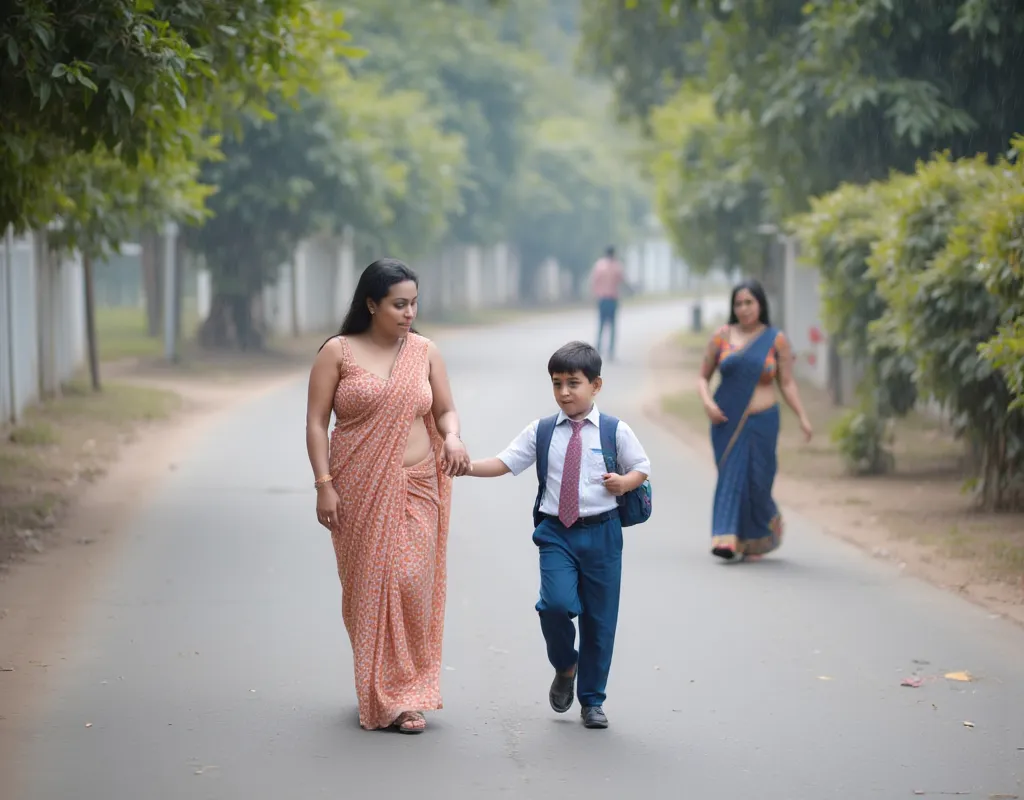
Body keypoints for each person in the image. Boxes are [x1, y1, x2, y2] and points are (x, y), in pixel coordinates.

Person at [305, 258, 471, 734]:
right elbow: (317, 422)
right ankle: (382, 691)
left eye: (414, 303)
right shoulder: (337, 352)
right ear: (371, 303)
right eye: (399, 304)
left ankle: (407, 694)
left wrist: (453, 437)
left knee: (409, 583)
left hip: (419, 484)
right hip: (356, 488)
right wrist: (324, 485)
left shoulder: (425, 353)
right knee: (366, 590)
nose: (409, 313)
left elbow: (445, 411)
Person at [464, 341, 650, 729]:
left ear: (596, 385)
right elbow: (504, 462)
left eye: (573, 383)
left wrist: (624, 483)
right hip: (556, 533)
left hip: (602, 533)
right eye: (556, 384)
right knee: (554, 604)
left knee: (600, 621)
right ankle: (565, 665)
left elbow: (641, 468)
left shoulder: (616, 430)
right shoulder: (543, 430)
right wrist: (462, 466)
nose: (564, 392)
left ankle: (592, 701)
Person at [697, 279, 813, 563]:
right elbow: (703, 377)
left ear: (761, 304)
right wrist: (708, 403)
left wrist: (803, 417)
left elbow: (787, 384)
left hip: (764, 421)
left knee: (759, 482)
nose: (744, 308)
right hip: (727, 419)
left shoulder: (776, 340)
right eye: (738, 303)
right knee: (731, 477)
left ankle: (759, 536)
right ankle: (726, 538)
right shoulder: (721, 337)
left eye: (749, 302)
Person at [590, 246, 625, 359]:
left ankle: (598, 348)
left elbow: (594, 281)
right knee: (612, 326)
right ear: (613, 254)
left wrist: (595, 294)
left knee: (601, 324)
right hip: (612, 299)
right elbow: (621, 280)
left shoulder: (599, 265)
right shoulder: (617, 266)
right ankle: (610, 351)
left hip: (602, 299)